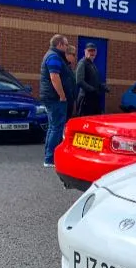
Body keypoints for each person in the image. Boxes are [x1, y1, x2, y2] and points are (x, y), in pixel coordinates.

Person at [39, 34, 74, 168]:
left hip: (51, 97)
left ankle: (49, 156)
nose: (67, 47)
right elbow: (54, 77)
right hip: (55, 98)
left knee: (52, 127)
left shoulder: (53, 55)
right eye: (65, 44)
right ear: (59, 44)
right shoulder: (53, 57)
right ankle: (50, 159)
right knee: (56, 127)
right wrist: (62, 95)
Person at [75, 42, 108, 116]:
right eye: (89, 51)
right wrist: (92, 89)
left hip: (94, 99)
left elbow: (96, 81)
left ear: (96, 52)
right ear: (85, 51)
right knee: (84, 123)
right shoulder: (82, 63)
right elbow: (79, 81)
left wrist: (102, 86)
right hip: (85, 99)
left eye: (93, 51)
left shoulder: (93, 65)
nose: (91, 53)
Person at [65, 44, 78, 116]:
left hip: (70, 99)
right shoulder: (63, 66)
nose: (75, 57)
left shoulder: (69, 67)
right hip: (65, 100)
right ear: (67, 54)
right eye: (73, 55)